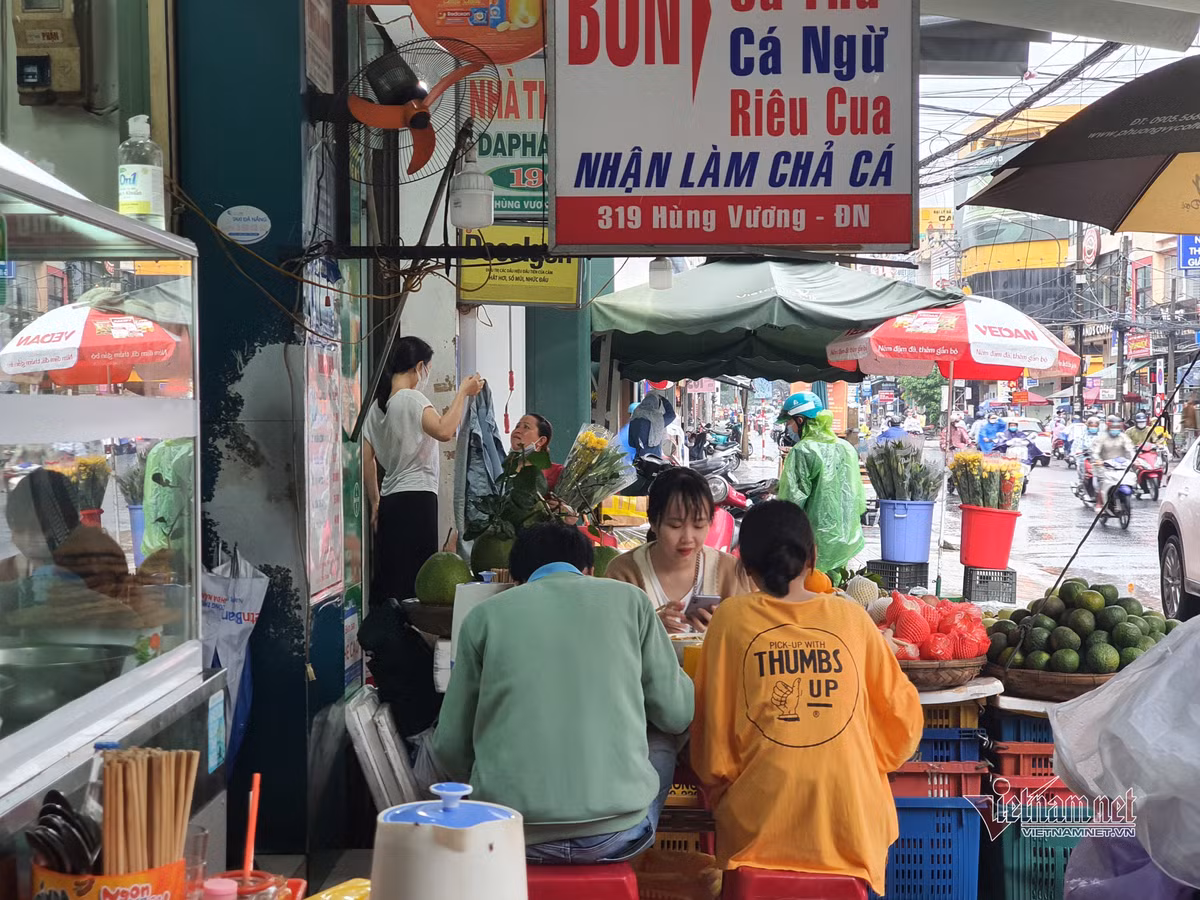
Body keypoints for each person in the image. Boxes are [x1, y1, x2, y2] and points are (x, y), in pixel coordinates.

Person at [420, 523, 694, 863]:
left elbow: (449, 746)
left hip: (506, 834)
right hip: (616, 837)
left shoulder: (483, 618)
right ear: (590, 571)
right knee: (663, 739)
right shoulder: (633, 602)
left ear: (517, 580)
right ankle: (636, 861)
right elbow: (677, 714)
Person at [690, 500, 922, 896]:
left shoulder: (729, 618)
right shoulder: (851, 617)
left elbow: (712, 742)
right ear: (812, 557)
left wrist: (719, 784)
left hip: (759, 828)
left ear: (744, 564)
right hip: (853, 823)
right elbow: (901, 722)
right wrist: (863, 763)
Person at [363, 336, 484, 604]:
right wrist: (462, 392)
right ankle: (410, 642)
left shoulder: (376, 408)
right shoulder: (411, 399)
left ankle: (390, 641)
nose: (426, 374)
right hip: (417, 499)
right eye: (427, 368)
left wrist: (375, 502)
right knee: (416, 582)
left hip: (391, 502)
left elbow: (366, 459)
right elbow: (444, 430)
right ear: (419, 366)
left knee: (393, 578)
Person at [606, 467, 753, 634]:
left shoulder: (730, 571)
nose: (687, 538)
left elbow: (749, 637)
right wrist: (647, 629)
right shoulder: (623, 573)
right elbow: (612, 638)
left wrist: (721, 631)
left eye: (698, 525)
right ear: (653, 522)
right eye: (675, 526)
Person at [776, 392, 866, 575]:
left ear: (800, 420)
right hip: (844, 540)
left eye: (790, 422)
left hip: (813, 541)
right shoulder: (846, 448)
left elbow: (792, 503)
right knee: (835, 593)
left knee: (812, 592)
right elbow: (857, 498)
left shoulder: (803, 451)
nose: (789, 427)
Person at [1089, 415, 1136, 514]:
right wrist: (1098, 460)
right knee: (1101, 482)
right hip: (1104, 466)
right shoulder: (1102, 438)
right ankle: (1099, 503)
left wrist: (1134, 459)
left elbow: (1130, 449)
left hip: (1120, 465)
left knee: (1130, 477)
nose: (1115, 429)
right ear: (1108, 426)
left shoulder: (1123, 437)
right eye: (1113, 427)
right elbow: (1095, 452)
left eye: (1117, 427)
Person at [510, 412, 564, 491]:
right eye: (517, 426)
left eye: (526, 427)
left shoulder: (558, 473)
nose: (517, 430)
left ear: (541, 441)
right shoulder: (502, 469)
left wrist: (560, 503)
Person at [628, 393, 677, 460]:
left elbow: (631, 443)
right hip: (654, 460)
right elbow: (671, 415)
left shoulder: (634, 419)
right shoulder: (657, 421)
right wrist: (663, 400)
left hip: (639, 460)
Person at [1074, 416, 1102, 493]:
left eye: (1095, 426)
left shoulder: (1102, 435)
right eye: (1091, 426)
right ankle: (1082, 484)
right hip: (1086, 457)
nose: (1093, 428)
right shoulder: (1082, 435)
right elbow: (1077, 445)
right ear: (1088, 426)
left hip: (1099, 458)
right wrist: (1078, 451)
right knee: (1082, 468)